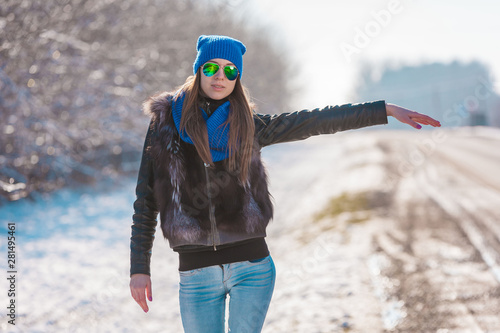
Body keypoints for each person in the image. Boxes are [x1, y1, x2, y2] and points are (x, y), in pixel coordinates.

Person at [129, 35, 441, 332]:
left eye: (230, 70)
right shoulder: (165, 124)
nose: (219, 76)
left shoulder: (250, 126)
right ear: (198, 71)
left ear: (237, 77)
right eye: (211, 67)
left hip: (251, 268)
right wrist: (139, 267)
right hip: (196, 274)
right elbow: (146, 198)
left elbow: (315, 121)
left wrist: (382, 110)